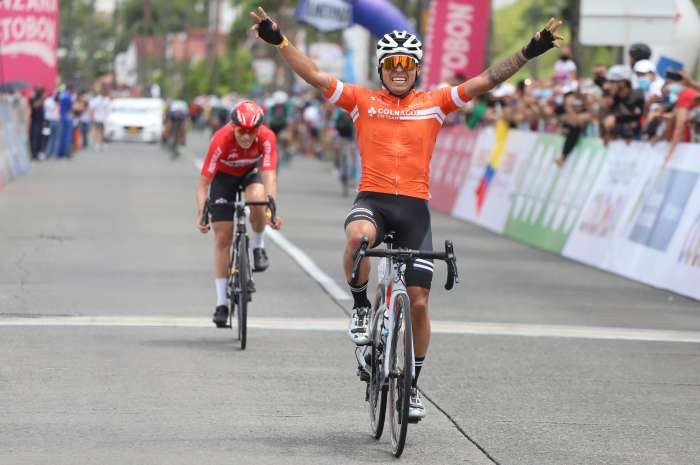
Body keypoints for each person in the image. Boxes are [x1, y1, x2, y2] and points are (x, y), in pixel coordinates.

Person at [250, 6, 563, 420]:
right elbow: (315, 76)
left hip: (414, 210)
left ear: (416, 69)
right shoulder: (362, 101)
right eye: (392, 64)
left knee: (418, 303)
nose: (399, 70)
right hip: (374, 202)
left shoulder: (434, 103)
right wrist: (281, 42)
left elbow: (485, 80)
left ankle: (412, 386)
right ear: (382, 68)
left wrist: (529, 51)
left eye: (407, 64)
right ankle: (362, 307)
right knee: (358, 237)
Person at [195, 100, 284, 327]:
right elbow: (203, 183)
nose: (246, 136)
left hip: (250, 174)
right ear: (233, 126)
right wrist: (201, 212)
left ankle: (258, 247)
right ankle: (221, 303)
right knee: (223, 237)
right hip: (224, 179)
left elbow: (269, 175)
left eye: (251, 131)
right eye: (241, 130)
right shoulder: (220, 139)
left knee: (257, 199)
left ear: (259, 129)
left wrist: (271, 206)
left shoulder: (266, 137)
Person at [28, 87, 46, 160]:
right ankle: (33, 154)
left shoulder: (41, 99)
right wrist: (41, 99)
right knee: (34, 138)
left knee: (40, 138)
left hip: (40, 121)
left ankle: (38, 153)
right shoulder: (33, 98)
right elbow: (35, 106)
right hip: (35, 122)